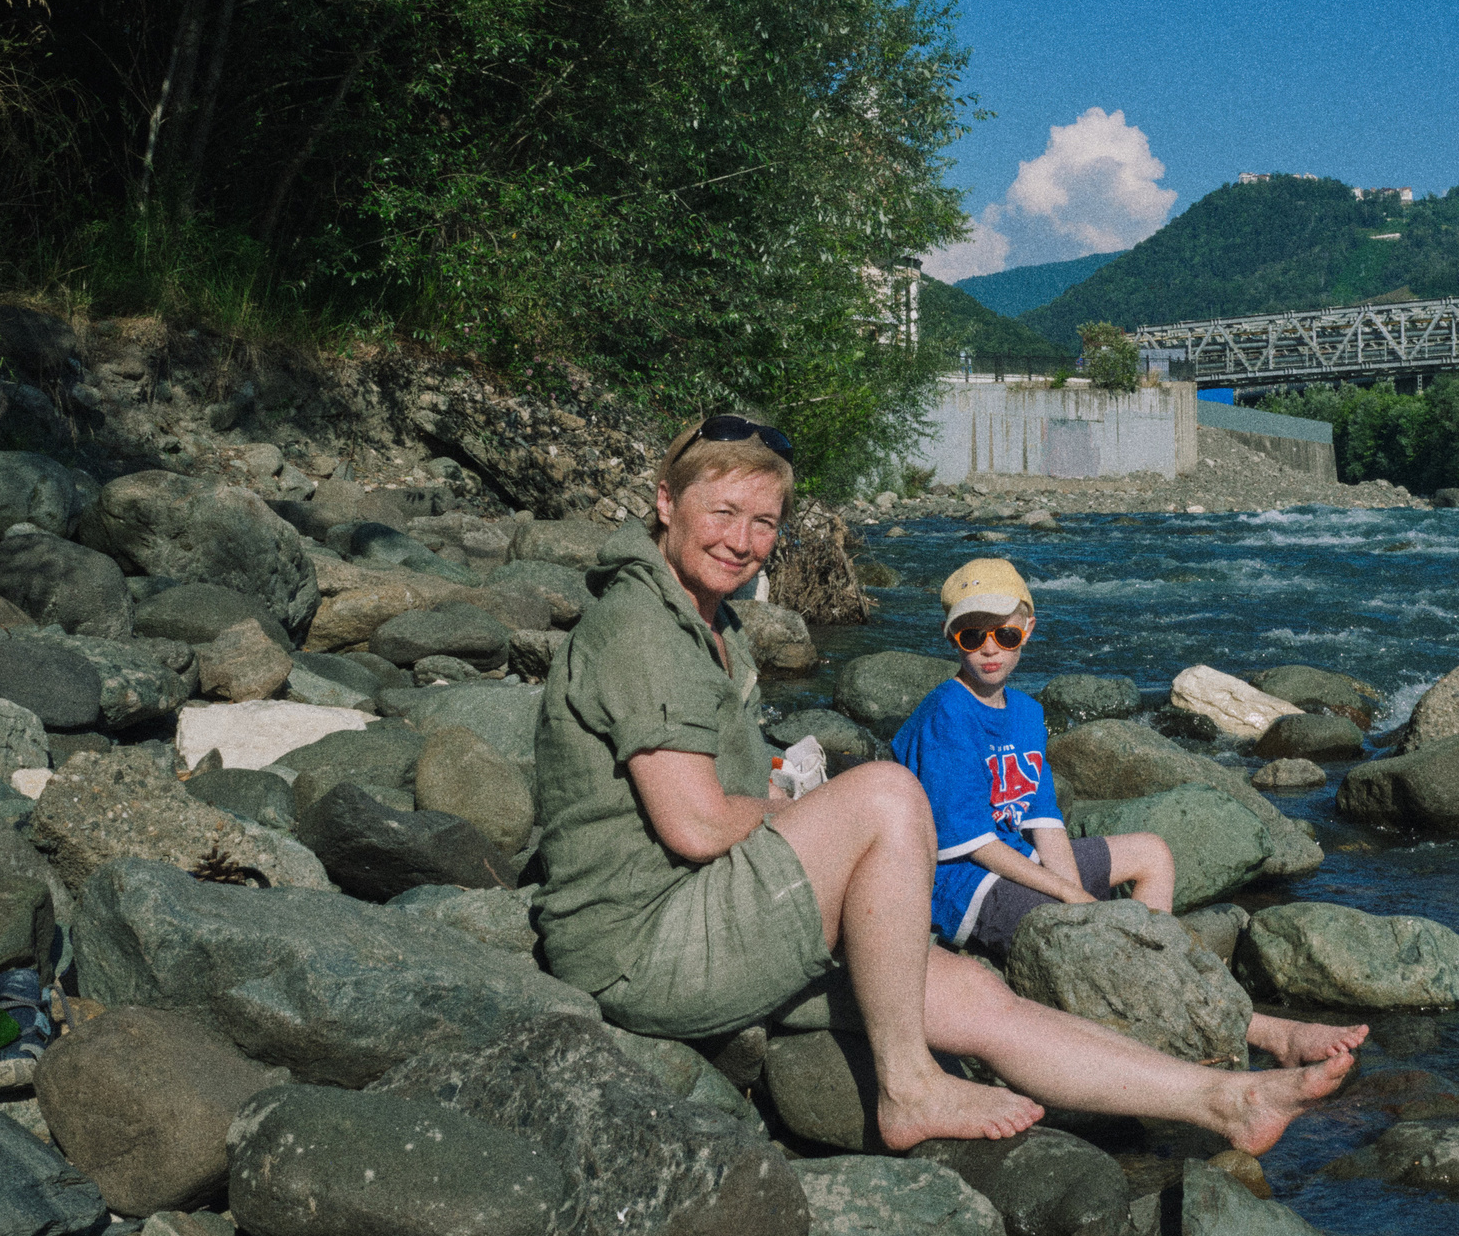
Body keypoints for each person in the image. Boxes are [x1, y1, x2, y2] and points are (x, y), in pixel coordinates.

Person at [530, 415, 1353, 1152]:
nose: (744, 541)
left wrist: (799, 816)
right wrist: (822, 817)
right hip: (645, 946)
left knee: (977, 994)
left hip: (717, 916)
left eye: (763, 522)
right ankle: (908, 1086)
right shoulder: (641, 624)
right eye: (723, 513)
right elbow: (698, 826)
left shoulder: (711, 623)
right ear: (667, 501)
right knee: (887, 792)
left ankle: (1225, 1098)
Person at [892, 558, 1368, 1068]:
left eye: (1005, 635)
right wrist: (1071, 897)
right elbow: (971, 842)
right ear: (951, 639)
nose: (989, 648)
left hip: (1016, 858)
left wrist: (1078, 898)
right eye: (972, 636)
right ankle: (1264, 1030)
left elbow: (1044, 818)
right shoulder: (946, 713)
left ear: (1027, 630)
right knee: (1089, 930)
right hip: (963, 884)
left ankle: (1152, 963)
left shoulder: (1027, 714)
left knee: (1151, 853)